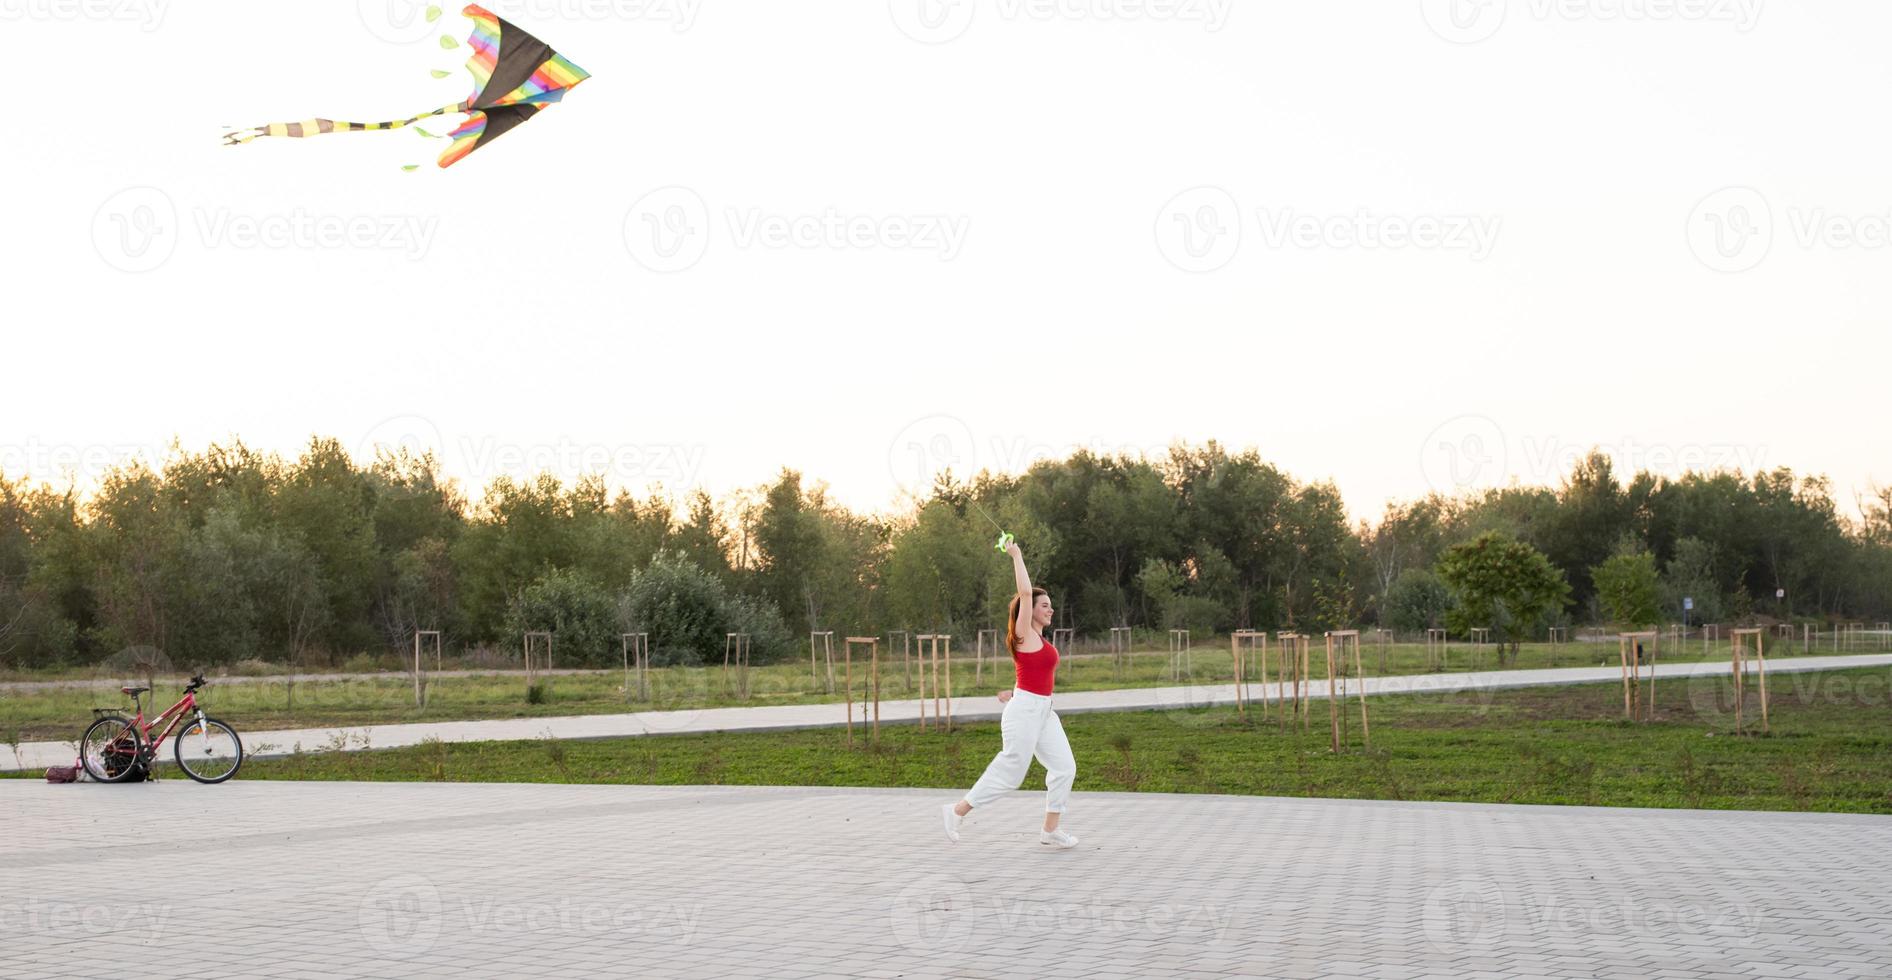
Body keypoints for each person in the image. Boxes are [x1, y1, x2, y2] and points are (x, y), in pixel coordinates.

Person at [940, 540, 1079, 848]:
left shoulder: (1040, 641)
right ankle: (957, 810)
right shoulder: (1023, 633)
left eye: (1050, 605)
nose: (1050, 608)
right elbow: (1026, 593)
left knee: (1064, 767)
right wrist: (1016, 555)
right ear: (1028, 611)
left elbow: (1032, 673)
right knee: (1012, 771)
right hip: (1026, 712)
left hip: (1042, 710)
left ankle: (1050, 829)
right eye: (1045, 605)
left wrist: (1015, 691)